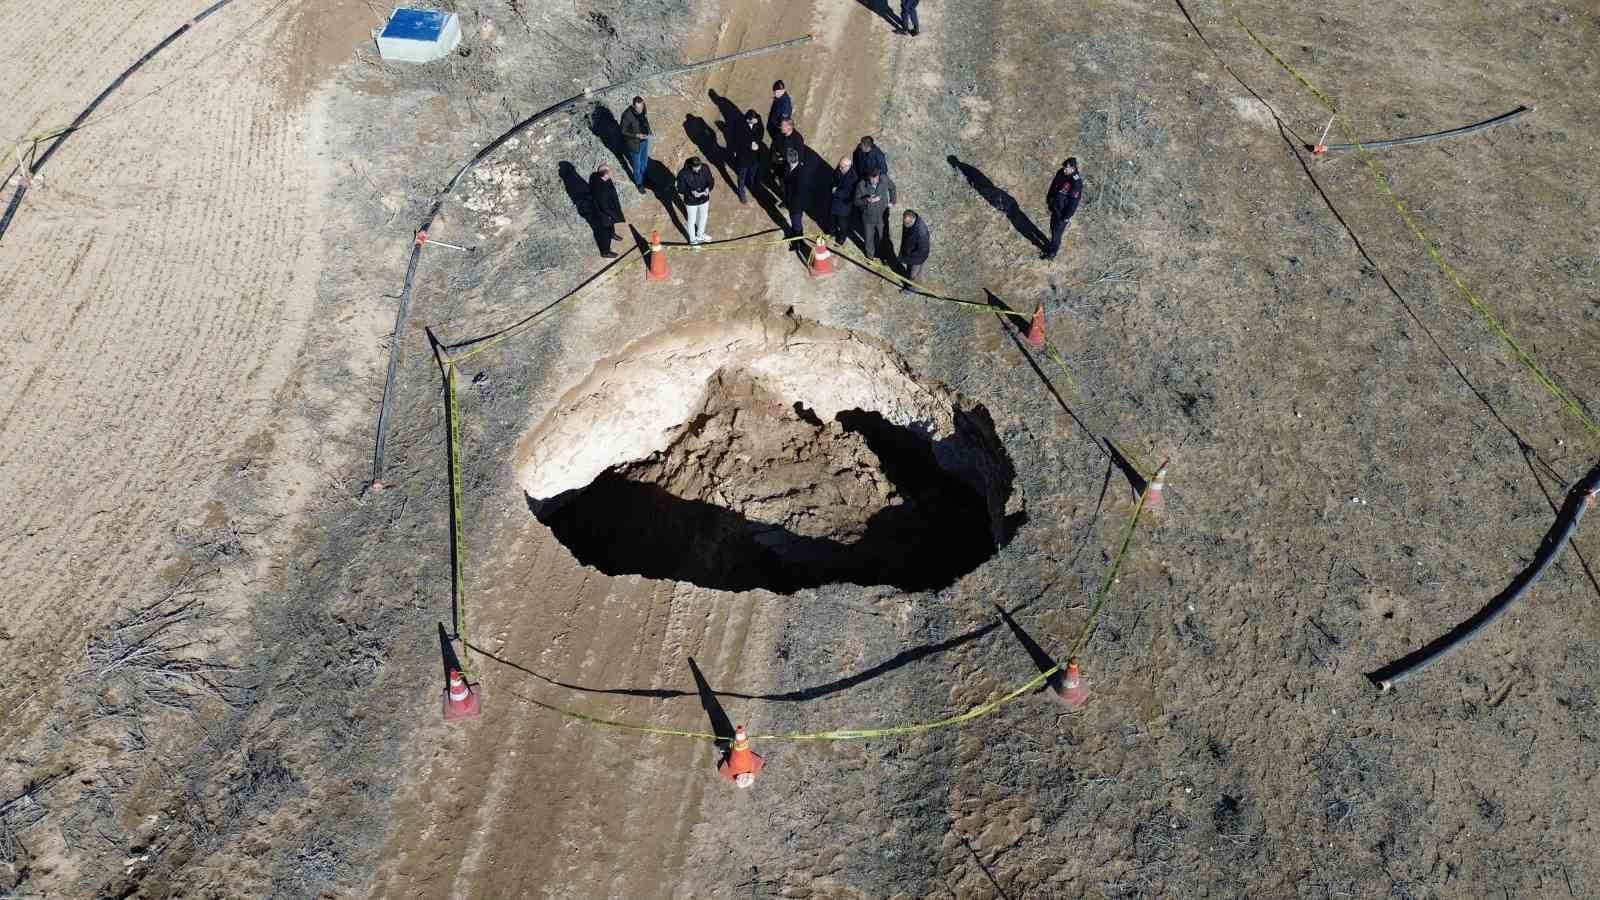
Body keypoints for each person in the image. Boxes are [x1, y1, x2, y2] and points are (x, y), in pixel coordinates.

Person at [852, 167, 897, 261]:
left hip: (882, 216)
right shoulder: (861, 185)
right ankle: (870, 256)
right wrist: (867, 200)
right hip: (868, 217)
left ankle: (884, 256)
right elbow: (856, 202)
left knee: (883, 237)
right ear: (868, 176)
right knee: (869, 238)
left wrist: (893, 201)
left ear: (879, 176)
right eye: (871, 178)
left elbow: (892, 188)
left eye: (875, 178)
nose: (873, 180)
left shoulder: (884, 179)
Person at [1042, 157, 1083, 260]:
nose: (1064, 170)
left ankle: (1052, 253)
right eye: (1064, 167)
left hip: (1063, 212)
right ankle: (1051, 244)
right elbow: (1053, 186)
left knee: (1057, 232)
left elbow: (1074, 203)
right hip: (1055, 206)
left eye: (1066, 168)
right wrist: (1049, 198)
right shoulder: (1061, 172)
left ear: (1073, 168)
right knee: (1052, 227)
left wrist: (1066, 217)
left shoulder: (1076, 182)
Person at [588, 164, 625, 258]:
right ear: (605, 174)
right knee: (605, 233)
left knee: (611, 224)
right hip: (603, 214)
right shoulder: (601, 192)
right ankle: (605, 251)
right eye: (609, 172)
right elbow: (605, 208)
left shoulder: (596, 176)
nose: (611, 173)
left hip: (607, 209)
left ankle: (612, 234)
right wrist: (615, 215)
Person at [676, 156, 714, 246]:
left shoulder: (705, 168)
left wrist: (708, 188)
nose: (698, 169)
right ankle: (693, 240)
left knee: (703, 216)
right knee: (692, 220)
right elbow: (680, 189)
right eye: (695, 168)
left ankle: (700, 234)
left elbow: (711, 180)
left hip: (704, 198)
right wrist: (691, 192)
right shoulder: (683, 173)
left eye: (699, 167)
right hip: (691, 201)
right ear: (691, 166)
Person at [619, 96, 653, 192]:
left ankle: (644, 178)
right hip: (635, 145)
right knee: (637, 166)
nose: (640, 110)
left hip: (644, 140)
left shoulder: (643, 109)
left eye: (642, 107)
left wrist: (649, 130)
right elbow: (623, 131)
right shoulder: (627, 115)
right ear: (634, 106)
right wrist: (636, 135)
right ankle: (639, 183)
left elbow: (645, 120)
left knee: (644, 162)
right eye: (638, 108)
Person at [733, 109, 764, 204]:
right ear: (748, 120)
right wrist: (750, 145)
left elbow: (761, 132)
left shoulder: (757, 120)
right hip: (744, 156)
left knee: (753, 173)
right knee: (742, 176)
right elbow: (738, 140)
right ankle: (742, 193)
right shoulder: (740, 126)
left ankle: (753, 187)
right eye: (754, 120)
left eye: (756, 119)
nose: (757, 121)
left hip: (755, 155)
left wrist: (757, 143)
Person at [828, 156, 858, 245]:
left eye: (842, 167)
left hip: (844, 206)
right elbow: (833, 178)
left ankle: (842, 238)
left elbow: (848, 194)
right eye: (839, 166)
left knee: (842, 224)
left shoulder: (853, 178)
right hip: (835, 202)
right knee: (832, 219)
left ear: (848, 166)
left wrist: (835, 191)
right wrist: (833, 186)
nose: (839, 168)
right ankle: (832, 232)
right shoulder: (839, 169)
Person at [898, 209, 929, 291]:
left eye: (907, 224)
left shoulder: (922, 233)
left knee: (913, 275)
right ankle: (910, 279)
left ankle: (910, 289)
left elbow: (922, 251)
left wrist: (909, 256)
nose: (905, 225)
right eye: (904, 223)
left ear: (913, 219)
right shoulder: (909, 222)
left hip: (917, 258)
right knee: (910, 270)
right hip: (910, 254)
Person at [769, 118, 804, 191]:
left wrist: (784, 159)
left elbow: (799, 156)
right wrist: (774, 156)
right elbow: (773, 146)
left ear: (789, 127)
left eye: (782, 126)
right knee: (781, 183)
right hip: (778, 166)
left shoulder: (797, 139)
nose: (780, 127)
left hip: (788, 169)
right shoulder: (779, 135)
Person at [781, 148, 807, 238]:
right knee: (794, 222)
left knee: (796, 224)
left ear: (789, 160)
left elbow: (799, 194)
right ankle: (795, 235)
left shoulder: (800, 174)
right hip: (791, 203)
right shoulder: (790, 167)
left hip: (796, 206)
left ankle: (797, 241)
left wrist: (789, 202)